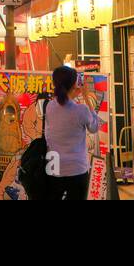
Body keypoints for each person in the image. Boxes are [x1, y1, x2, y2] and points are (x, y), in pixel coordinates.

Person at [42, 65, 99, 200]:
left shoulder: (49, 107)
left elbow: (64, 104)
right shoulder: (81, 110)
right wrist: (85, 96)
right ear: (74, 84)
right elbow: (94, 127)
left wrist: (72, 94)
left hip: (54, 166)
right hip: (76, 168)